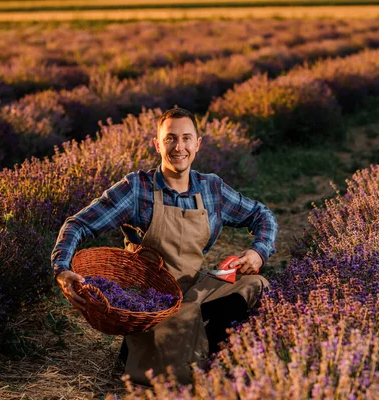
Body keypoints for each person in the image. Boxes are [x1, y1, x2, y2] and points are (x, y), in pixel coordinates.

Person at [51, 107, 277, 385]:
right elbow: (79, 224)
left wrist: (258, 250)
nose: (178, 147)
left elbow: (261, 214)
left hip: (196, 289)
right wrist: (62, 269)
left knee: (257, 285)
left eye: (186, 138)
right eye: (170, 139)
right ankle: (150, 350)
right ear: (158, 144)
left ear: (197, 144)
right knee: (175, 376)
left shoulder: (212, 189)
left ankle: (224, 358)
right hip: (151, 305)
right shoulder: (137, 189)